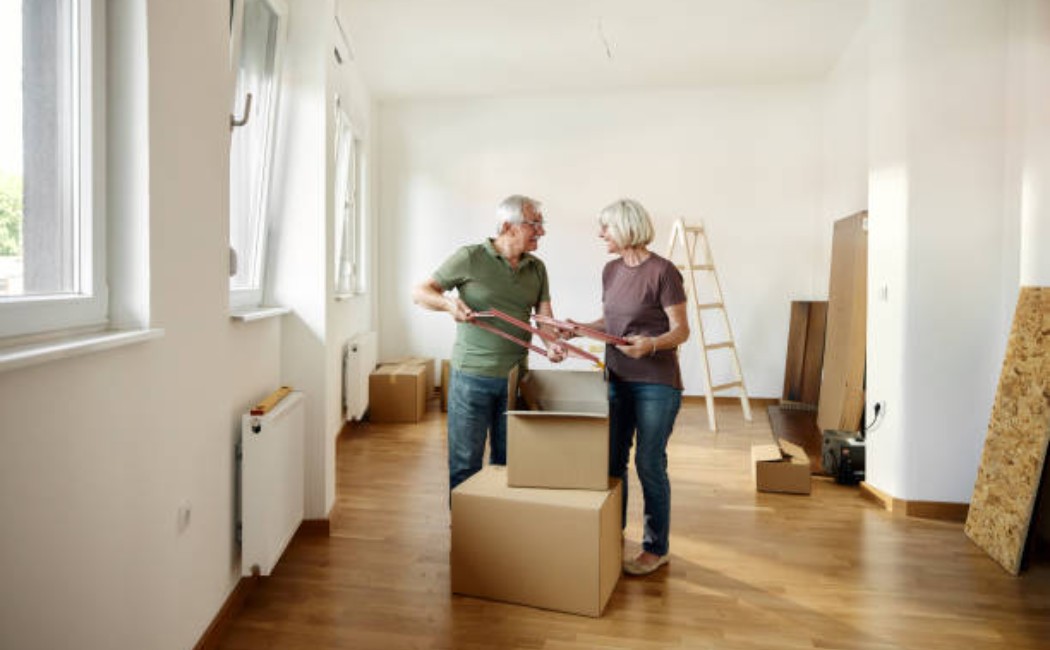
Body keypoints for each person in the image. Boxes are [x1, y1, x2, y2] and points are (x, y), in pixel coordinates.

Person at [565, 198, 689, 576]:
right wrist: (579, 328)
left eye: (605, 228)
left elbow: (681, 330)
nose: (600, 234)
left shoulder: (664, 272)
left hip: (656, 384)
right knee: (612, 461)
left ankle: (656, 547)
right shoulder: (610, 270)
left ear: (625, 229)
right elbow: (611, 319)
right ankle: (611, 532)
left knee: (649, 463)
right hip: (616, 380)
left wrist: (649, 345)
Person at [412, 195, 566, 492]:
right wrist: (448, 304)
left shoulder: (537, 268)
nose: (542, 231)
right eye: (535, 224)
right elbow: (420, 292)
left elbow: (544, 317)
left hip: (515, 378)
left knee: (507, 462)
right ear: (508, 226)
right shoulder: (470, 257)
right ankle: (466, 533)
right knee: (465, 462)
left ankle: (498, 529)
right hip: (471, 377)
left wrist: (551, 344)